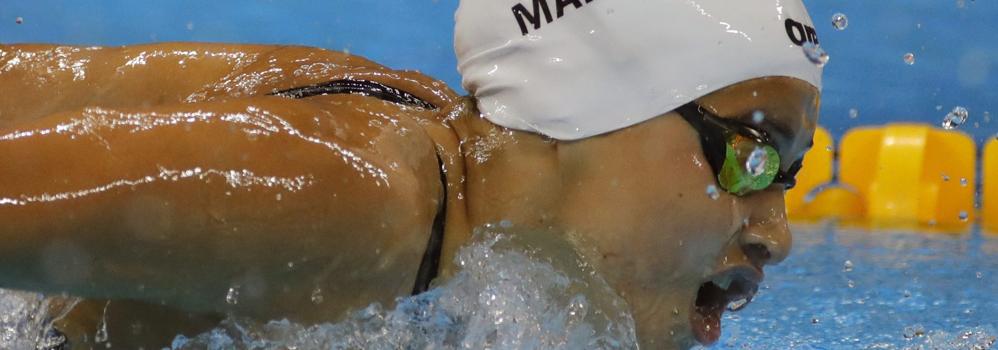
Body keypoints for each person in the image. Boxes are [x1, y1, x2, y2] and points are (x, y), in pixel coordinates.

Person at [0, 0, 822, 348]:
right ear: (590, 112)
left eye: (788, 176)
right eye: (750, 154)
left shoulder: (431, 169)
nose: (776, 236)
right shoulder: (333, 195)